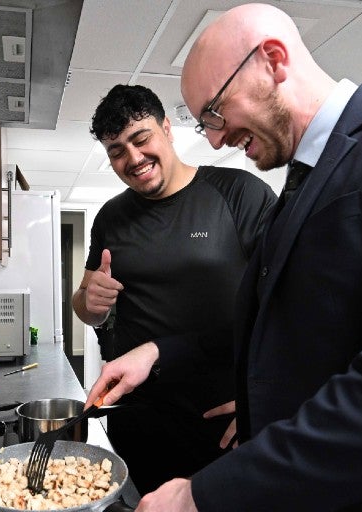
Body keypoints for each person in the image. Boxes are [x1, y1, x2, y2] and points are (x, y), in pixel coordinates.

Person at [87, 4, 362, 511]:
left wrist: (205, 493)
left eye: (215, 111)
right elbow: (276, 332)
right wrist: (157, 354)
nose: (214, 138)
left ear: (273, 60)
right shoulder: (293, 199)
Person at [73, 84, 277, 495]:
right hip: (137, 420)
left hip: (222, 420)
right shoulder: (111, 217)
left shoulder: (240, 195)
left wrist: (269, 394)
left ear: (167, 128)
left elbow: (291, 306)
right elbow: (86, 302)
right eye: (116, 151)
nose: (132, 158)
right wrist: (87, 303)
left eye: (141, 138)